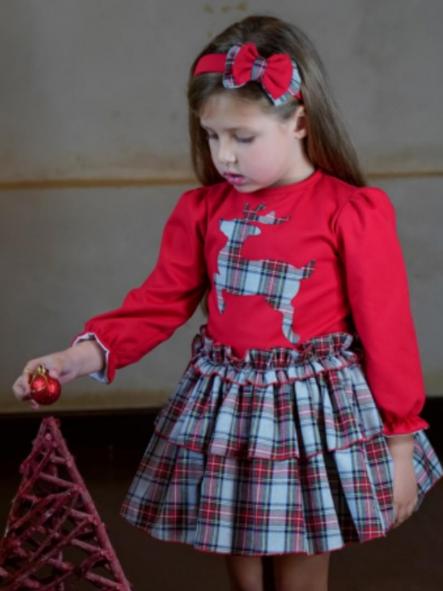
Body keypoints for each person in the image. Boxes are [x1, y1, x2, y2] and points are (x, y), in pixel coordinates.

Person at [12, 14, 443, 591]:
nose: (225, 157)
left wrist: (398, 443)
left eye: (243, 138)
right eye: (212, 136)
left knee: (298, 570)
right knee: (242, 566)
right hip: (228, 409)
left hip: (308, 416)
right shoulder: (202, 211)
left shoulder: (351, 211)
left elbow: (388, 333)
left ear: (299, 122)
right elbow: (156, 306)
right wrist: (75, 359)